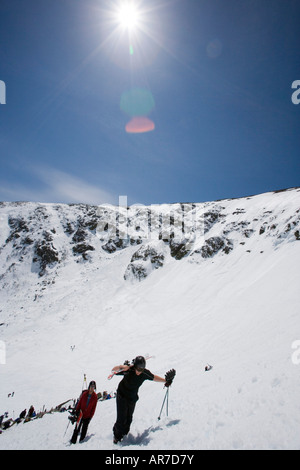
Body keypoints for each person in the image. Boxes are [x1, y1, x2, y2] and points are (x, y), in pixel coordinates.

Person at [111, 356, 175, 444]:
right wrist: (122, 367)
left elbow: (154, 377)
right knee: (121, 418)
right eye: (138, 369)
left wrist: (165, 381)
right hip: (122, 395)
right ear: (135, 366)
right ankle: (117, 437)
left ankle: (124, 435)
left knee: (129, 418)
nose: (139, 371)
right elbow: (113, 370)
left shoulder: (144, 373)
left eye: (141, 369)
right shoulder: (129, 370)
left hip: (132, 397)